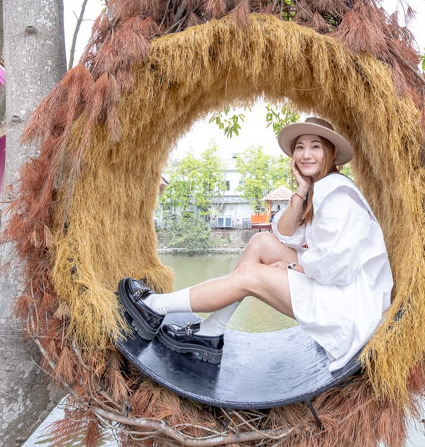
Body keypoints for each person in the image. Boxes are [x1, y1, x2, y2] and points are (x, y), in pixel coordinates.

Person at [118, 117, 393, 369]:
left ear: (331, 152)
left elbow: (336, 265)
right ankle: (213, 330)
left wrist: (292, 268)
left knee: (249, 276)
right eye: (299, 147)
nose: (306, 154)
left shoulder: (335, 191)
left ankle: (154, 306)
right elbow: (285, 236)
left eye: (316, 146)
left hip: (347, 305)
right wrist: (301, 189)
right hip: (338, 288)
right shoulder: (319, 188)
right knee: (261, 242)